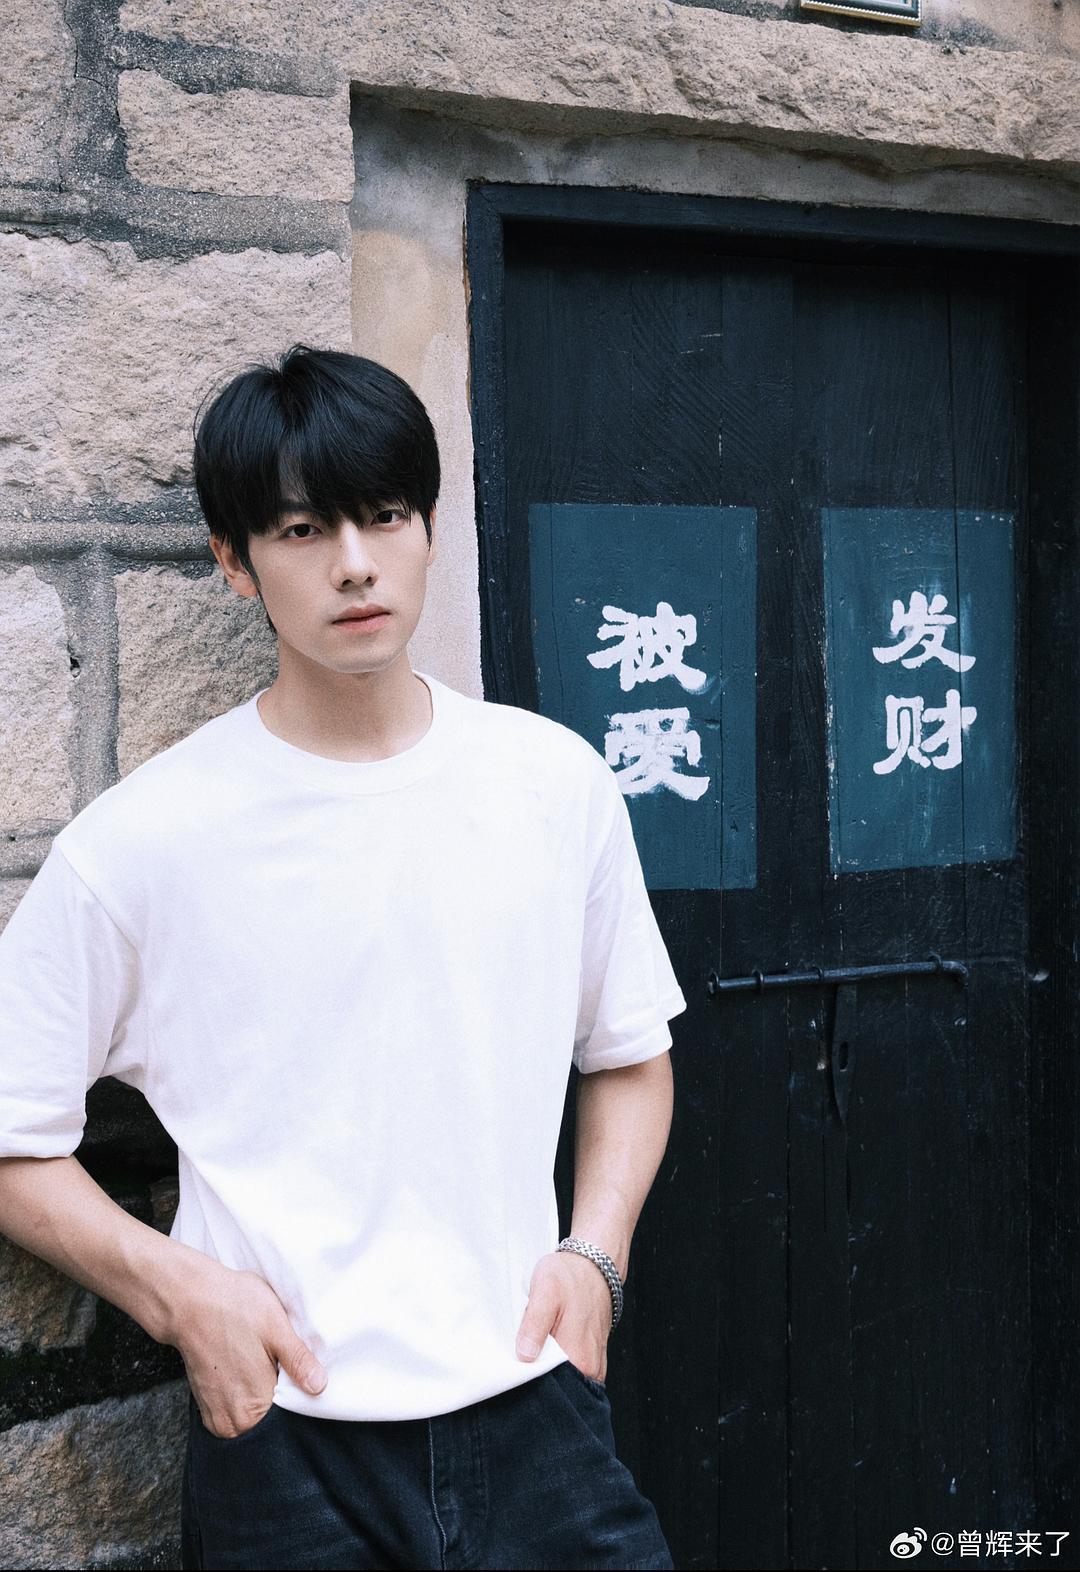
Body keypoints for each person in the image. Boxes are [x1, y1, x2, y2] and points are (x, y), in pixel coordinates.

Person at [0, 345, 687, 1570]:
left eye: (386, 516)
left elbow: (630, 1054)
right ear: (235, 561)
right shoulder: (145, 842)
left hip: (535, 1407)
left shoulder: (552, 785)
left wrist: (597, 1257)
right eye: (304, 529)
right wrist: (181, 1297)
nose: (356, 562)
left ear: (429, 527)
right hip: (284, 1437)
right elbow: (13, 1136)